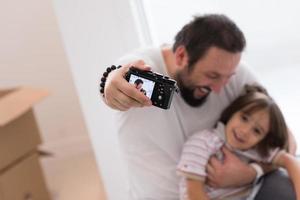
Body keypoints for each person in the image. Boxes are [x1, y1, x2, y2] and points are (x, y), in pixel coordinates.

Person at [102, 14, 297, 199]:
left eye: (228, 78)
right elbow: (114, 82)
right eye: (212, 76)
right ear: (180, 56)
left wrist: (250, 173)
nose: (221, 88)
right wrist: (111, 87)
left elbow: (286, 142)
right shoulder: (144, 68)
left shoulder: (230, 71)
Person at [177, 84, 300, 200]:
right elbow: (192, 193)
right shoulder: (202, 143)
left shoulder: (256, 148)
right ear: (234, 111)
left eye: (257, 131)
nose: (245, 131)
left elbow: (290, 160)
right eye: (244, 118)